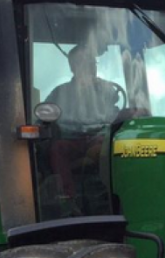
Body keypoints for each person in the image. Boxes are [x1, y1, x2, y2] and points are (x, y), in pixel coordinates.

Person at [45, 45, 120, 204]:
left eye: (92, 63)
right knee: (57, 149)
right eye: (84, 63)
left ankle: (114, 196)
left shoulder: (107, 89)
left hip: (100, 138)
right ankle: (68, 199)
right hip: (71, 140)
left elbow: (114, 113)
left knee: (117, 148)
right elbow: (44, 115)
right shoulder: (59, 93)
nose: (90, 67)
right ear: (73, 67)